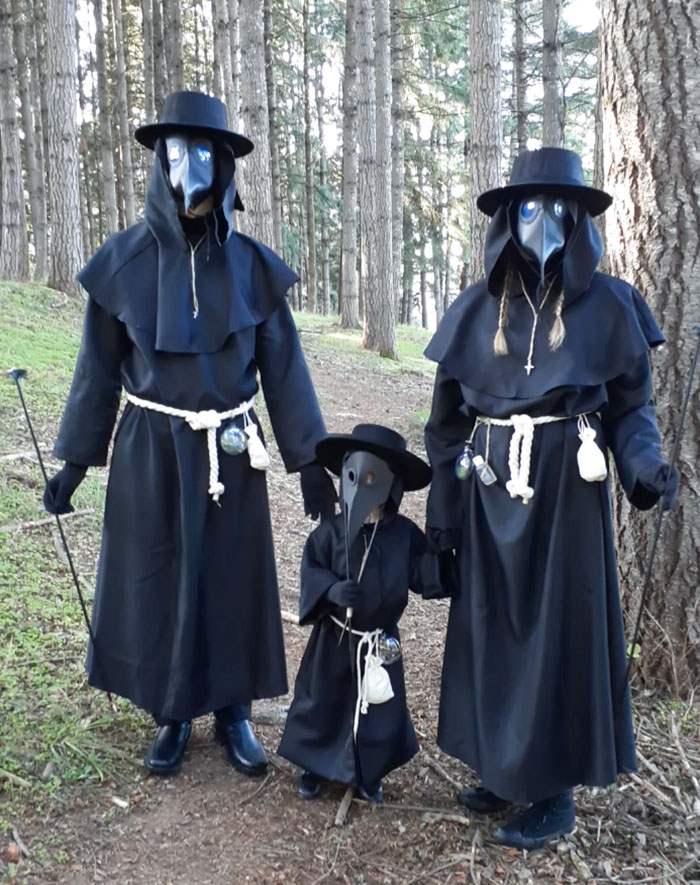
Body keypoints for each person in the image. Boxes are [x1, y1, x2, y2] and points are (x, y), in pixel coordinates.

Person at [43, 91, 336, 778]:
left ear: (225, 164)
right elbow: (96, 370)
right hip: (152, 445)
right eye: (177, 151)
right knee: (159, 572)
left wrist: (312, 461)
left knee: (231, 575)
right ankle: (172, 712)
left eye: (205, 151)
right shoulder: (123, 261)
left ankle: (233, 709)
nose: (191, 164)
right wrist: (75, 462)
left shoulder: (254, 267)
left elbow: (284, 369)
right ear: (160, 162)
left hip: (231, 447)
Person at [423, 147, 678, 850]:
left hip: (567, 493)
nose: (542, 222)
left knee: (555, 637)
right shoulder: (477, 309)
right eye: (528, 208)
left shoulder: (611, 305)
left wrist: (646, 469)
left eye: (557, 209)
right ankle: (503, 771)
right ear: (508, 219)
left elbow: (632, 412)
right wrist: (441, 524)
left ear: (578, 221)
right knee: (492, 629)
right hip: (488, 489)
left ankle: (554, 792)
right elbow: (445, 428)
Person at [278, 424, 450, 802]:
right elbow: (312, 571)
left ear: (392, 486)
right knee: (324, 702)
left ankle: (367, 772)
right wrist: (331, 590)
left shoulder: (405, 536)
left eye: (374, 478)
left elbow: (425, 577)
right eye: (355, 475)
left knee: (379, 712)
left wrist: (446, 559)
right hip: (335, 637)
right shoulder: (330, 534)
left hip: (379, 643)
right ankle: (316, 765)